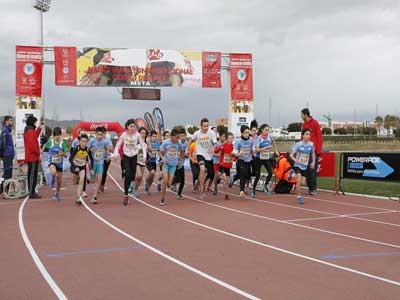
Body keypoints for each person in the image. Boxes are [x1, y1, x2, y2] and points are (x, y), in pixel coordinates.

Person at [113, 119, 143, 206]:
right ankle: (126, 195)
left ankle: (131, 183)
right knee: (128, 175)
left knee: (132, 175)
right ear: (127, 127)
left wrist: (144, 155)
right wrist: (115, 154)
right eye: (131, 126)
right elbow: (118, 144)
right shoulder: (124, 135)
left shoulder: (137, 135)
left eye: (134, 126)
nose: (133, 128)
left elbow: (142, 145)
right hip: (125, 156)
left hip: (134, 156)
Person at [187, 118, 217, 199]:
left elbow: (215, 143)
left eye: (207, 126)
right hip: (200, 154)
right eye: (204, 126)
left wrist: (213, 148)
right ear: (201, 126)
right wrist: (187, 149)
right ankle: (201, 190)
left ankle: (198, 183)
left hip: (209, 156)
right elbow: (191, 140)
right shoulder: (197, 133)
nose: (206, 127)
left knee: (211, 174)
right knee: (202, 169)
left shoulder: (211, 133)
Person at [252, 124, 279, 198]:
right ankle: (253, 190)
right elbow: (257, 149)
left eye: (268, 130)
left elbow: (273, 142)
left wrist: (276, 150)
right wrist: (266, 147)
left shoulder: (269, 137)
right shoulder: (259, 138)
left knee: (270, 172)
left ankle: (265, 185)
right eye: (266, 130)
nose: (267, 131)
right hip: (258, 159)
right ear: (262, 130)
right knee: (257, 175)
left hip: (265, 158)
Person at [290, 128, 316, 205]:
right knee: (298, 180)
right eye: (307, 134)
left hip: (305, 166)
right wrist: (296, 160)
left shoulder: (311, 144)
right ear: (302, 135)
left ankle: (295, 185)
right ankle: (299, 197)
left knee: (302, 183)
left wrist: (313, 162)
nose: (308, 136)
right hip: (297, 165)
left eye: (309, 134)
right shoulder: (298, 144)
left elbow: (313, 154)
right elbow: (291, 155)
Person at [88, 127, 113, 204]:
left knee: (100, 178)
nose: (100, 136)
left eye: (101, 135)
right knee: (92, 181)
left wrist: (108, 155)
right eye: (98, 134)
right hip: (93, 162)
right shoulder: (92, 141)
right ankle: (88, 178)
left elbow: (108, 149)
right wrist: (91, 149)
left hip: (100, 162)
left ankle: (94, 197)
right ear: (95, 134)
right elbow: (86, 149)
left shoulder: (105, 141)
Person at [301, 108, 323, 195]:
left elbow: (319, 137)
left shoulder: (315, 123)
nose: (301, 116)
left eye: (302, 115)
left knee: (312, 170)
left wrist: (318, 150)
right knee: (306, 170)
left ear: (305, 114)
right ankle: (310, 189)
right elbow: (302, 137)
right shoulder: (304, 124)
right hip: (305, 151)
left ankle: (313, 189)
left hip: (313, 151)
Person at [159, 128, 184, 206]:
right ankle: (162, 198)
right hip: (166, 163)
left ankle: (167, 184)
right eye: (177, 137)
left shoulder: (179, 143)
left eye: (178, 137)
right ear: (172, 137)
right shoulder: (166, 143)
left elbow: (182, 152)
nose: (178, 139)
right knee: (165, 180)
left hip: (173, 165)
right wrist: (163, 158)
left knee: (169, 183)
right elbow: (159, 152)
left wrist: (180, 158)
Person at [44, 127, 69, 201]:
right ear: (53, 135)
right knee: (53, 172)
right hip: (51, 162)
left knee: (59, 181)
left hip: (59, 164)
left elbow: (66, 155)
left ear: (60, 135)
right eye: (56, 135)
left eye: (59, 135)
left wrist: (62, 154)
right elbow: (44, 147)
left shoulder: (62, 143)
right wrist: (41, 153)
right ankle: (52, 179)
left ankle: (56, 194)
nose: (57, 137)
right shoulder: (50, 142)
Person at [69, 134, 92, 205]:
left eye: (85, 141)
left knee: (82, 179)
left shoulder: (88, 149)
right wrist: (75, 166)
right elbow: (70, 159)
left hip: (82, 167)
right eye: (82, 141)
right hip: (75, 167)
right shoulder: (76, 148)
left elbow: (92, 159)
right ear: (80, 142)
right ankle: (77, 179)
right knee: (74, 183)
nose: (84, 143)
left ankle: (78, 197)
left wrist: (92, 169)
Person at [24, 116, 43, 198]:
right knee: (32, 175)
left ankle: (32, 191)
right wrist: (39, 153)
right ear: (32, 122)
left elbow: (36, 136)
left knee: (33, 175)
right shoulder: (30, 131)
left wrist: (40, 127)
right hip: (32, 157)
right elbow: (33, 145)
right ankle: (31, 192)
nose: (36, 123)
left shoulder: (30, 130)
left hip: (32, 156)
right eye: (35, 122)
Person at [232, 125, 254, 198]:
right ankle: (241, 191)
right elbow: (234, 151)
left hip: (249, 160)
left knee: (248, 175)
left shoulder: (251, 139)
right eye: (245, 133)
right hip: (241, 160)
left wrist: (253, 150)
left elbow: (253, 148)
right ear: (242, 133)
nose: (247, 134)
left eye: (248, 132)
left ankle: (234, 178)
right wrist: (238, 153)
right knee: (243, 173)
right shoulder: (238, 141)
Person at [214, 132, 234, 200]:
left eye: (232, 138)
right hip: (222, 164)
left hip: (228, 166)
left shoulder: (233, 147)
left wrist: (236, 156)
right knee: (225, 179)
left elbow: (235, 155)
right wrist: (213, 150)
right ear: (227, 139)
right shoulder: (223, 146)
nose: (231, 140)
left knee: (226, 181)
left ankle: (219, 177)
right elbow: (216, 151)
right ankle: (226, 194)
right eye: (229, 138)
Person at [0, 116, 15, 196]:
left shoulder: (9, 131)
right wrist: (1, 155)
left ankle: (4, 190)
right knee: (7, 173)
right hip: (6, 155)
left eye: (12, 121)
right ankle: (3, 190)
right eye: (10, 121)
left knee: (8, 174)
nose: (12, 122)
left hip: (9, 155)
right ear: (6, 122)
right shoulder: (5, 131)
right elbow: (2, 144)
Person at [173, 127, 188, 199]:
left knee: (183, 181)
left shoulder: (187, 143)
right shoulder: (176, 143)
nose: (182, 137)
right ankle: (173, 183)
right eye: (180, 136)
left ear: (185, 136)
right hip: (175, 163)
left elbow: (187, 153)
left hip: (181, 163)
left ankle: (179, 194)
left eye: (183, 136)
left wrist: (187, 154)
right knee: (177, 178)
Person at [133, 127, 148, 198]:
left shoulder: (145, 144)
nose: (143, 134)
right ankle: (133, 183)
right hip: (136, 161)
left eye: (144, 133)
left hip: (143, 163)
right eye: (142, 133)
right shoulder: (136, 142)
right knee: (138, 175)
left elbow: (147, 153)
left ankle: (135, 190)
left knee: (141, 178)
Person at [145, 130, 161, 195]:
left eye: (155, 136)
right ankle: (146, 180)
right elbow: (149, 149)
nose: (155, 138)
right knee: (152, 172)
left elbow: (159, 151)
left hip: (154, 161)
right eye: (153, 136)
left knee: (152, 177)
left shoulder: (158, 143)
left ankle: (148, 187)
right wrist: (153, 150)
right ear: (150, 137)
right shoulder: (148, 143)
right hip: (148, 160)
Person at [212, 131, 226, 195]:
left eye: (225, 136)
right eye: (223, 136)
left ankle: (219, 179)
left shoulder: (226, 143)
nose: (224, 138)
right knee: (216, 175)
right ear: (220, 137)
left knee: (224, 175)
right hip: (216, 162)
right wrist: (218, 155)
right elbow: (212, 153)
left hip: (223, 162)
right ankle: (215, 188)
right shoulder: (216, 144)